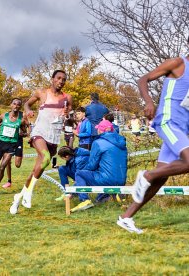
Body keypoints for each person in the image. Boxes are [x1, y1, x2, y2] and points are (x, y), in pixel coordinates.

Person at [117, 45, 189, 234]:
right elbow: (143, 79)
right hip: (168, 122)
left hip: (181, 129)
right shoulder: (178, 63)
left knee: (161, 175)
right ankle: (146, 175)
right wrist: (148, 102)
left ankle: (126, 217)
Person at [10, 70, 72, 214]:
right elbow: (26, 105)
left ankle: (18, 198)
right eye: (58, 78)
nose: (61, 81)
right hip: (39, 132)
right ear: (52, 79)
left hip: (54, 136)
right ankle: (29, 193)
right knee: (46, 158)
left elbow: (68, 114)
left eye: (64, 79)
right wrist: (29, 111)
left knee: (36, 170)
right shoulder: (41, 93)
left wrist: (67, 114)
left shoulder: (67, 97)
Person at [70, 119, 128, 212]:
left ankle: (85, 200)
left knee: (80, 174)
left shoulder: (98, 142)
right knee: (98, 201)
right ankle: (117, 197)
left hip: (107, 179)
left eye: (98, 129)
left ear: (101, 130)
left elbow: (92, 165)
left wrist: (82, 178)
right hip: (121, 180)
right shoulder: (122, 142)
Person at [0, 98, 29, 197]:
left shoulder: (21, 120)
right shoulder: (3, 116)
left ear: (19, 107)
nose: (16, 106)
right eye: (14, 104)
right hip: (0, 144)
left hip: (11, 146)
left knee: (2, 167)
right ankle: (1, 182)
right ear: (11, 105)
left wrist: (24, 134)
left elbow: (27, 130)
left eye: (18, 105)